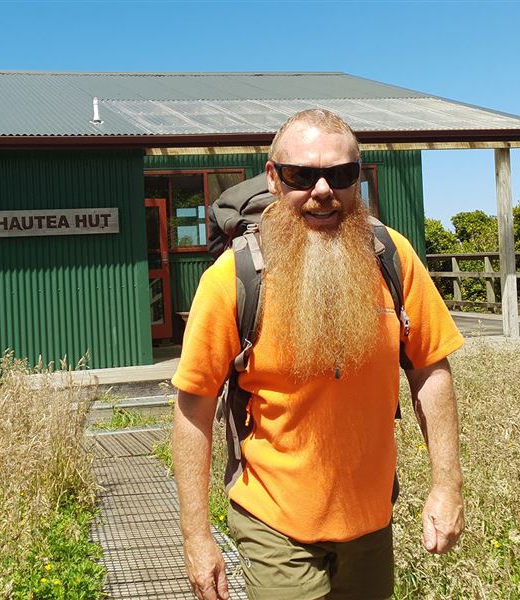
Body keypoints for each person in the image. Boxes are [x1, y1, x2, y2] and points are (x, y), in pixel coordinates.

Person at [171, 109, 465, 600]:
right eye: (300, 176)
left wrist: (447, 483)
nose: (322, 189)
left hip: (371, 519)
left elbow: (430, 369)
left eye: (341, 174)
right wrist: (196, 538)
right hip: (275, 520)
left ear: (359, 178)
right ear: (273, 178)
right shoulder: (234, 277)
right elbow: (193, 409)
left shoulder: (392, 257)